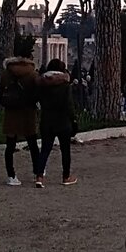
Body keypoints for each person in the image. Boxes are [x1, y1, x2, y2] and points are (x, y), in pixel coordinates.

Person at [0, 55, 41, 186]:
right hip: (28, 111)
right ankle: (37, 172)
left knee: (10, 146)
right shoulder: (32, 74)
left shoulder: (6, 74)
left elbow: (0, 94)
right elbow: (38, 92)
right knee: (32, 144)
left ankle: (11, 175)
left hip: (11, 112)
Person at [35, 57, 79, 187]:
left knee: (45, 150)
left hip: (47, 119)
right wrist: (74, 119)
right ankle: (66, 177)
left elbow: (36, 100)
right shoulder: (65, 85)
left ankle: (39, 177)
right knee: (65, 151)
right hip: (62, 120)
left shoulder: (42, 85)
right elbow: (69, 105)